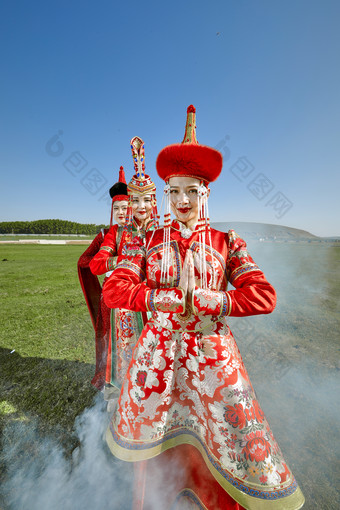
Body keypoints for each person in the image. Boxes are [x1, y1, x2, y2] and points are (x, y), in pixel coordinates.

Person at [102, 106, 305, 509]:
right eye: (174, 190)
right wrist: (159, 298)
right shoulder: (146, 242)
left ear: (205, 193)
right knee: (158, 436)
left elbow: (264, 295)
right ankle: (160, 495)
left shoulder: (226, 242)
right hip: (158, 355)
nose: (182, 200)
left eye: (191, 191)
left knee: (226, 439)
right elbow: (114, 289)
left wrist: (218, 300)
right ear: (165, 193)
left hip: (214, 359)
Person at [90, 137, 158, 406]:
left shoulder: (161, 232)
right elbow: (96, 265)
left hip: (153, 302)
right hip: (125, 306)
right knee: (124, 355)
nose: (140, 207)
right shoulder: (116, 233)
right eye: (135, 201)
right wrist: (122, 262)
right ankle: (120, 399)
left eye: (146, 200)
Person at [77, 166, 129, 390]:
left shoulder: (141, 235)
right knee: (111, 339)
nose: (120, 212)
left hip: (133, 297)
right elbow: (83, 261)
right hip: (110, 298)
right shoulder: (103, 235)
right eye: (116, 207)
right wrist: (107, 264)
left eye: (125, 207)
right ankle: (110, 380)